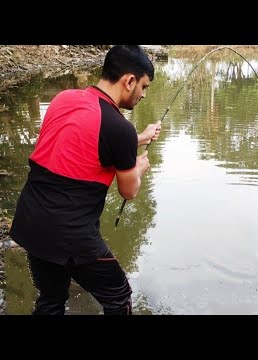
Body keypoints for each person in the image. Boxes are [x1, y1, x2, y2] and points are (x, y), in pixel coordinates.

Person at [9, 45, 161, 315]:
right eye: (144, 87)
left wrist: (137, 138)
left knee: (51, 299)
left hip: (31, 221)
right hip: (70, 234)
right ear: (129, 81)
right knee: (119, 297)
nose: (143, 95)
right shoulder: (119, 128)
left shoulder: (64, 99)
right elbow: (129, 191)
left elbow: (79, 142)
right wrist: (138, 168)